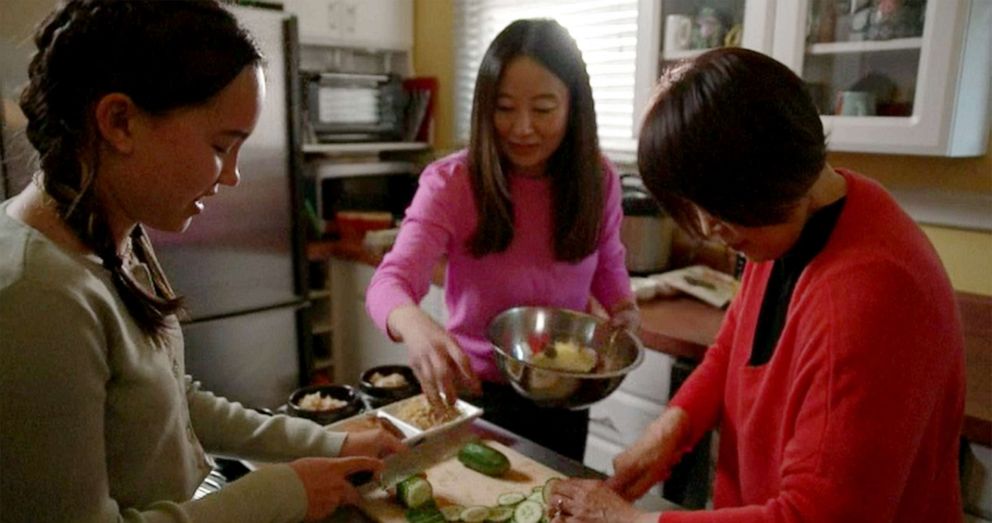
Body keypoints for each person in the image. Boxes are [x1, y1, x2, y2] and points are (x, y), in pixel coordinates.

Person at [0, 2, 405, 521]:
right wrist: (282, 493)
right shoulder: (36, 296)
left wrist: (330, 444)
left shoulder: (112, 233)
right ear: (119, 121)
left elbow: (172, 402)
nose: (232, 176)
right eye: (221, 146)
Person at [546, 48, 965, 522]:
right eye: (695, 206)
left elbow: (817, 516)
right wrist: (673, 427)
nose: (707, 228)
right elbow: (735, 350)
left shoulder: (870, 297)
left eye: (719, 206)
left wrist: (630, 520)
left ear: (772, 171)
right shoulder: (788, 220)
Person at [365, 18, 639, 461]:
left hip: (566, 397)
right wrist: (416, 328)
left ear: (574, 106)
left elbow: (607, 263)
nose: (522, 128)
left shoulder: (598, 178)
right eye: (505, 107)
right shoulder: (452, 183)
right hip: (476, 396)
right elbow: (388, 282)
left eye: (544, 108)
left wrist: (624, 309)